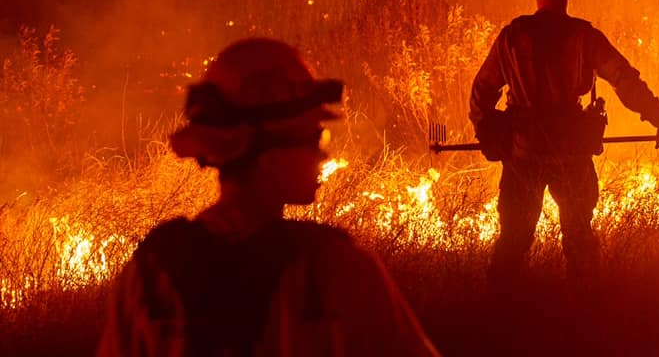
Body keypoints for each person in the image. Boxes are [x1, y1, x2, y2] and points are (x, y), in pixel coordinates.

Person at [98, 38, 440, 357]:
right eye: (315, 139)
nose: (323, 156)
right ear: (269, 159)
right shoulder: (337, 271)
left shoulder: (151, 274)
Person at [470, 0, 659, 288]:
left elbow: (482, 91)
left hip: (523, 153)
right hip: (570, 153)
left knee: (513, 241)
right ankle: (585, 307)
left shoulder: (513, 37)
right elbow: (625, 81)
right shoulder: (584, 37)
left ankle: (501, 310)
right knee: (579, 240)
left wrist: (488, 131)